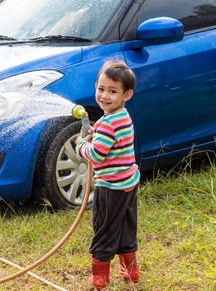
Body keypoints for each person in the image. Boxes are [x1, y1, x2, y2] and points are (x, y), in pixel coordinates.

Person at [75, 60, 140, 290]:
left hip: (110, 187)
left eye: (112, 91)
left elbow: (96, 155)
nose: (104, 95)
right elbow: (111, 141)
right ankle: (130, 271)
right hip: (128, 184)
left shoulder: (108, 123)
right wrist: (96, 132)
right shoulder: (122, 117)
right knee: (125, 227)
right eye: (101, 89)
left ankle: (99, 278)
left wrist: (81, 145)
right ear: (96, 86)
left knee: (104, 229)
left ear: (127, 94)